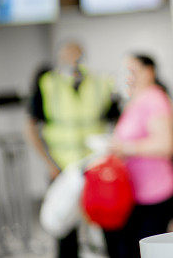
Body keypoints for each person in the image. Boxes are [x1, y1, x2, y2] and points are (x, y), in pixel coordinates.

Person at [25, 42, 115, 258]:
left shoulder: (99, 83)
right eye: (67, 57)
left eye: (76, 56)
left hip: (94, 167)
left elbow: (116, 120)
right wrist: (49, 163)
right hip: (62, 167)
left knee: (107, 225)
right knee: (65, 231)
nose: (72, 62)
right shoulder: (47, 84)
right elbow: (31, 126)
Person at [105, 55, 173, 258]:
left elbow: (166, 144)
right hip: (135, 193)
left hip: (155, 194)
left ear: (148, 72)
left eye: (132, 70)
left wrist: (125, 148)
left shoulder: (154, 99)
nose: (127, 76)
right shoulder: (135, 100)